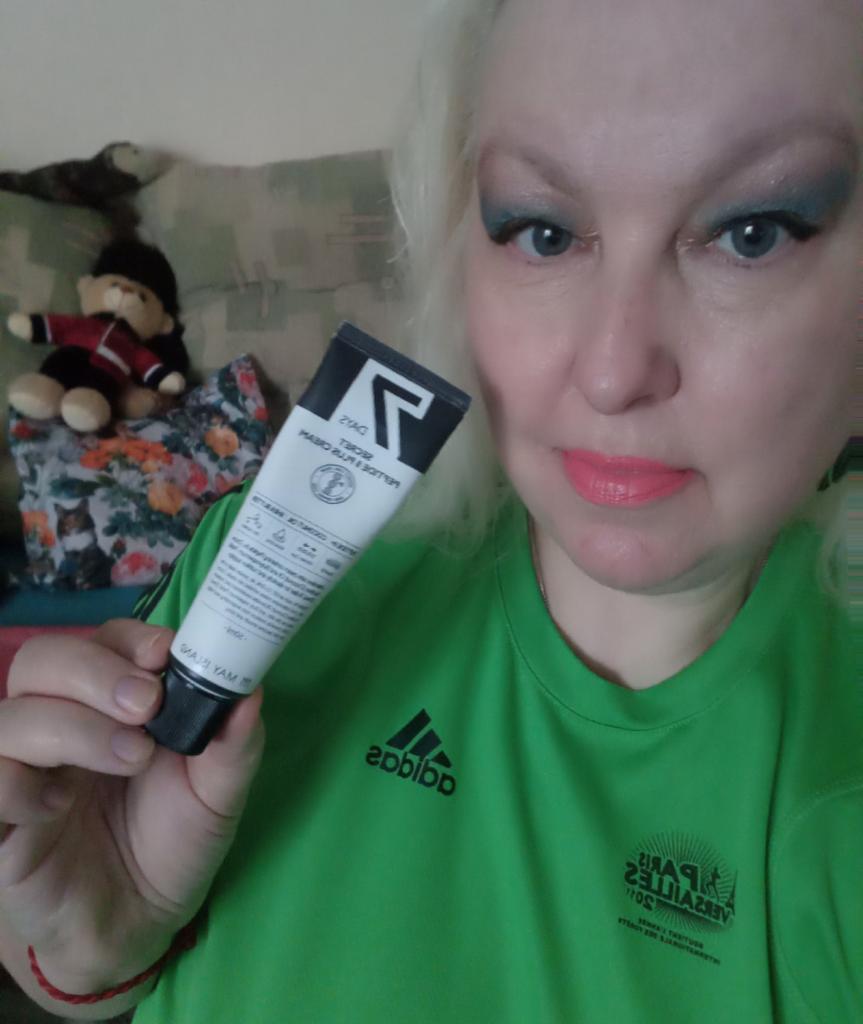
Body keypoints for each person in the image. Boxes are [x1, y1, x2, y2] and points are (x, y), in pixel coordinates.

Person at [1, 0, 859, 1020]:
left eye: (750, 234)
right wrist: (102, 935)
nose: (611, 370)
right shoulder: (270, 574)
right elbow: (82, 970)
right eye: (542, 231)